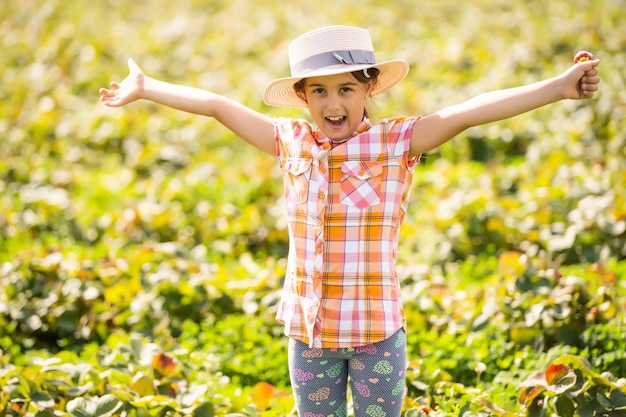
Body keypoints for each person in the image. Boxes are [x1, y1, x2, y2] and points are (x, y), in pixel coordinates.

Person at [100, 25, 600, 417]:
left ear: (370, 86)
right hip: (309, 332)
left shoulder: (395, 143)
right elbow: (215, 106)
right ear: (302, 96)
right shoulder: (289, 140)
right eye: (318, 91)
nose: (332, 103)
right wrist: (147, 87)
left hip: (375, 331)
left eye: (345, 88)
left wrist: (557, 88)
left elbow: (467, 113)